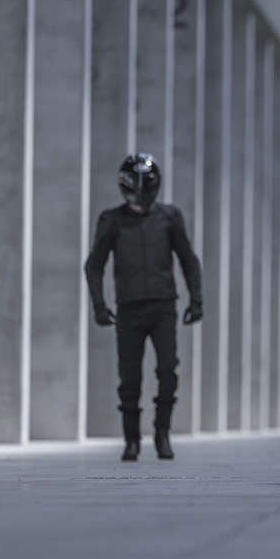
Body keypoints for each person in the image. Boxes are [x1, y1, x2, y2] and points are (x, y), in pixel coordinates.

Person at [84, 153, 202, 461]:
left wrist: (196, 299)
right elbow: (93, 265)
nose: (139, 198)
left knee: (167, 370)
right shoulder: (111, 220)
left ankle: (162, 432)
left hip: (163, 306)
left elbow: (188, 260)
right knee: (129, 376)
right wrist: (99, 305)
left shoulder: (169, 217)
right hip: (129, 309)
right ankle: (132, 440)